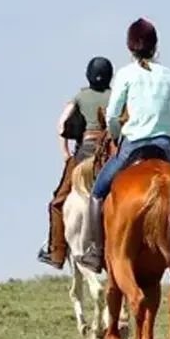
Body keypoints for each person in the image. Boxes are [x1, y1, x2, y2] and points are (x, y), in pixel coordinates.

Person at [75, 18, 170, 273]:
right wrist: (166, 131)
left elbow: (112, 115)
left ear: (130, 47)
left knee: (97, 194)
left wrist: (117, 134)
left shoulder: (125, 75)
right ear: (155, 47)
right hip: (164, 146)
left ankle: (97, 252)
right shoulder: (169, 75)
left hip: (132, 145)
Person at [38, 57, 113, 268]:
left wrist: (65, 153)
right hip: (110, 152)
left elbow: (62, 124)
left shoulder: (80, 96)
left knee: (57, 202)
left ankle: (56, 252)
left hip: (85, 152)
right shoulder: (115, 95)